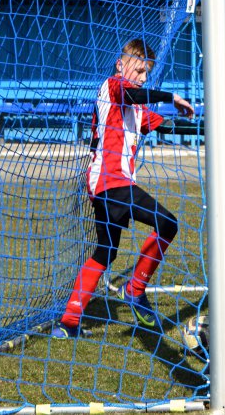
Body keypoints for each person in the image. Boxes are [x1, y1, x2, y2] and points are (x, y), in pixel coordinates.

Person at [52, 38, 196, 339]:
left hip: (106, 185)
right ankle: (135, 289)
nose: (143, 77)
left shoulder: (137, 108)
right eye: (139, 70)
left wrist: (210, 124)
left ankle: (68, 322)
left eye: (147, 73)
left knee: (106, 252)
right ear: (121, 64)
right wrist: (172, 96)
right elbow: (132, 93)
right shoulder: (114, 86)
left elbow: (163, 125)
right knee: (168, 223)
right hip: (111, 181)